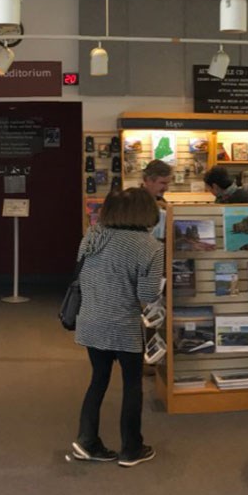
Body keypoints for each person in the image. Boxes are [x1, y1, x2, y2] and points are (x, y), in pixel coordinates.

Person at [72, 187, 164, 467]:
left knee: (98, 380)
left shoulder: (92, 236)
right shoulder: (150, 247)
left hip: (90, 320)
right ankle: (131, 448)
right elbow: (147, 295)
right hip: (123, 324)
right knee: (132, 384)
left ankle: (86, 441)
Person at [142, 159, 172, 240]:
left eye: (167, 183)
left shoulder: (162, 202)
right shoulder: (134, 203)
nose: (166, 188)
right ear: (148, 180)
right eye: (162, 183)